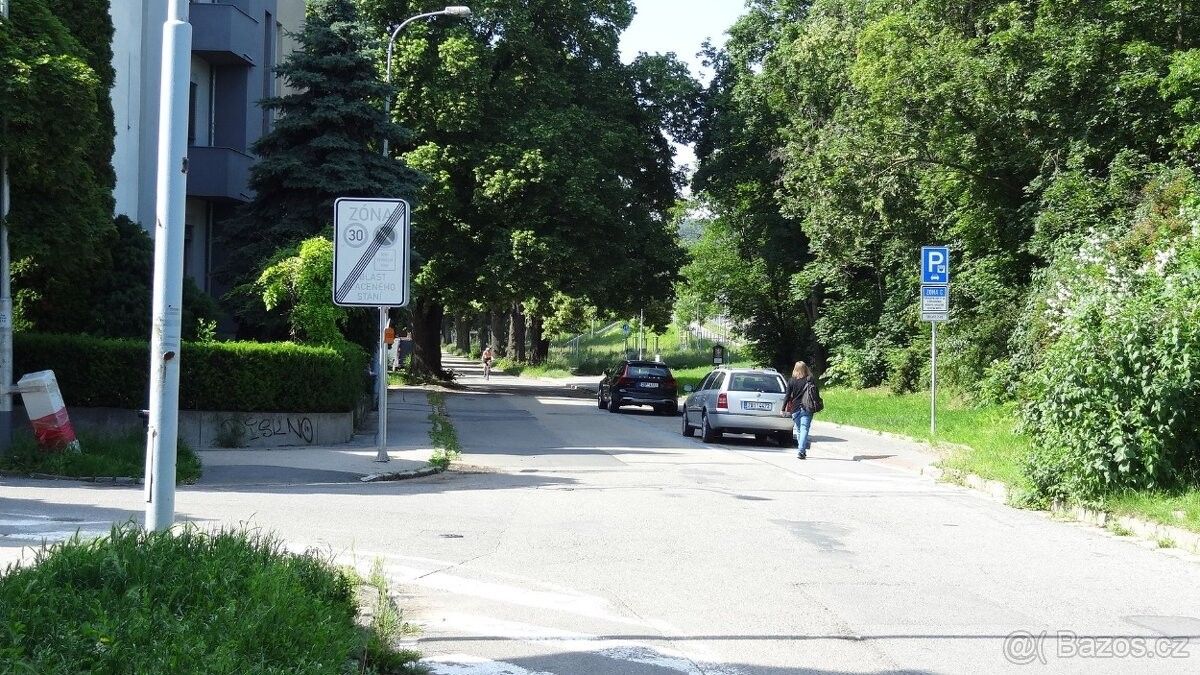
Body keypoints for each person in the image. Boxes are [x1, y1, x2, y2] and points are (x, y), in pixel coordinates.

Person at [784, 361, 817, 459]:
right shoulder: (809, 379)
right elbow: (815, 393)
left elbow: (787, 396)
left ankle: (801, 450)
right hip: (807, 407)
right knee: (804, 429)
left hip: (795, 409)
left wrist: (783, 409)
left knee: (799, 430)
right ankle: (801, 451)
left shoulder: (791, 381)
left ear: (795, 368)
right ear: (805, 368)